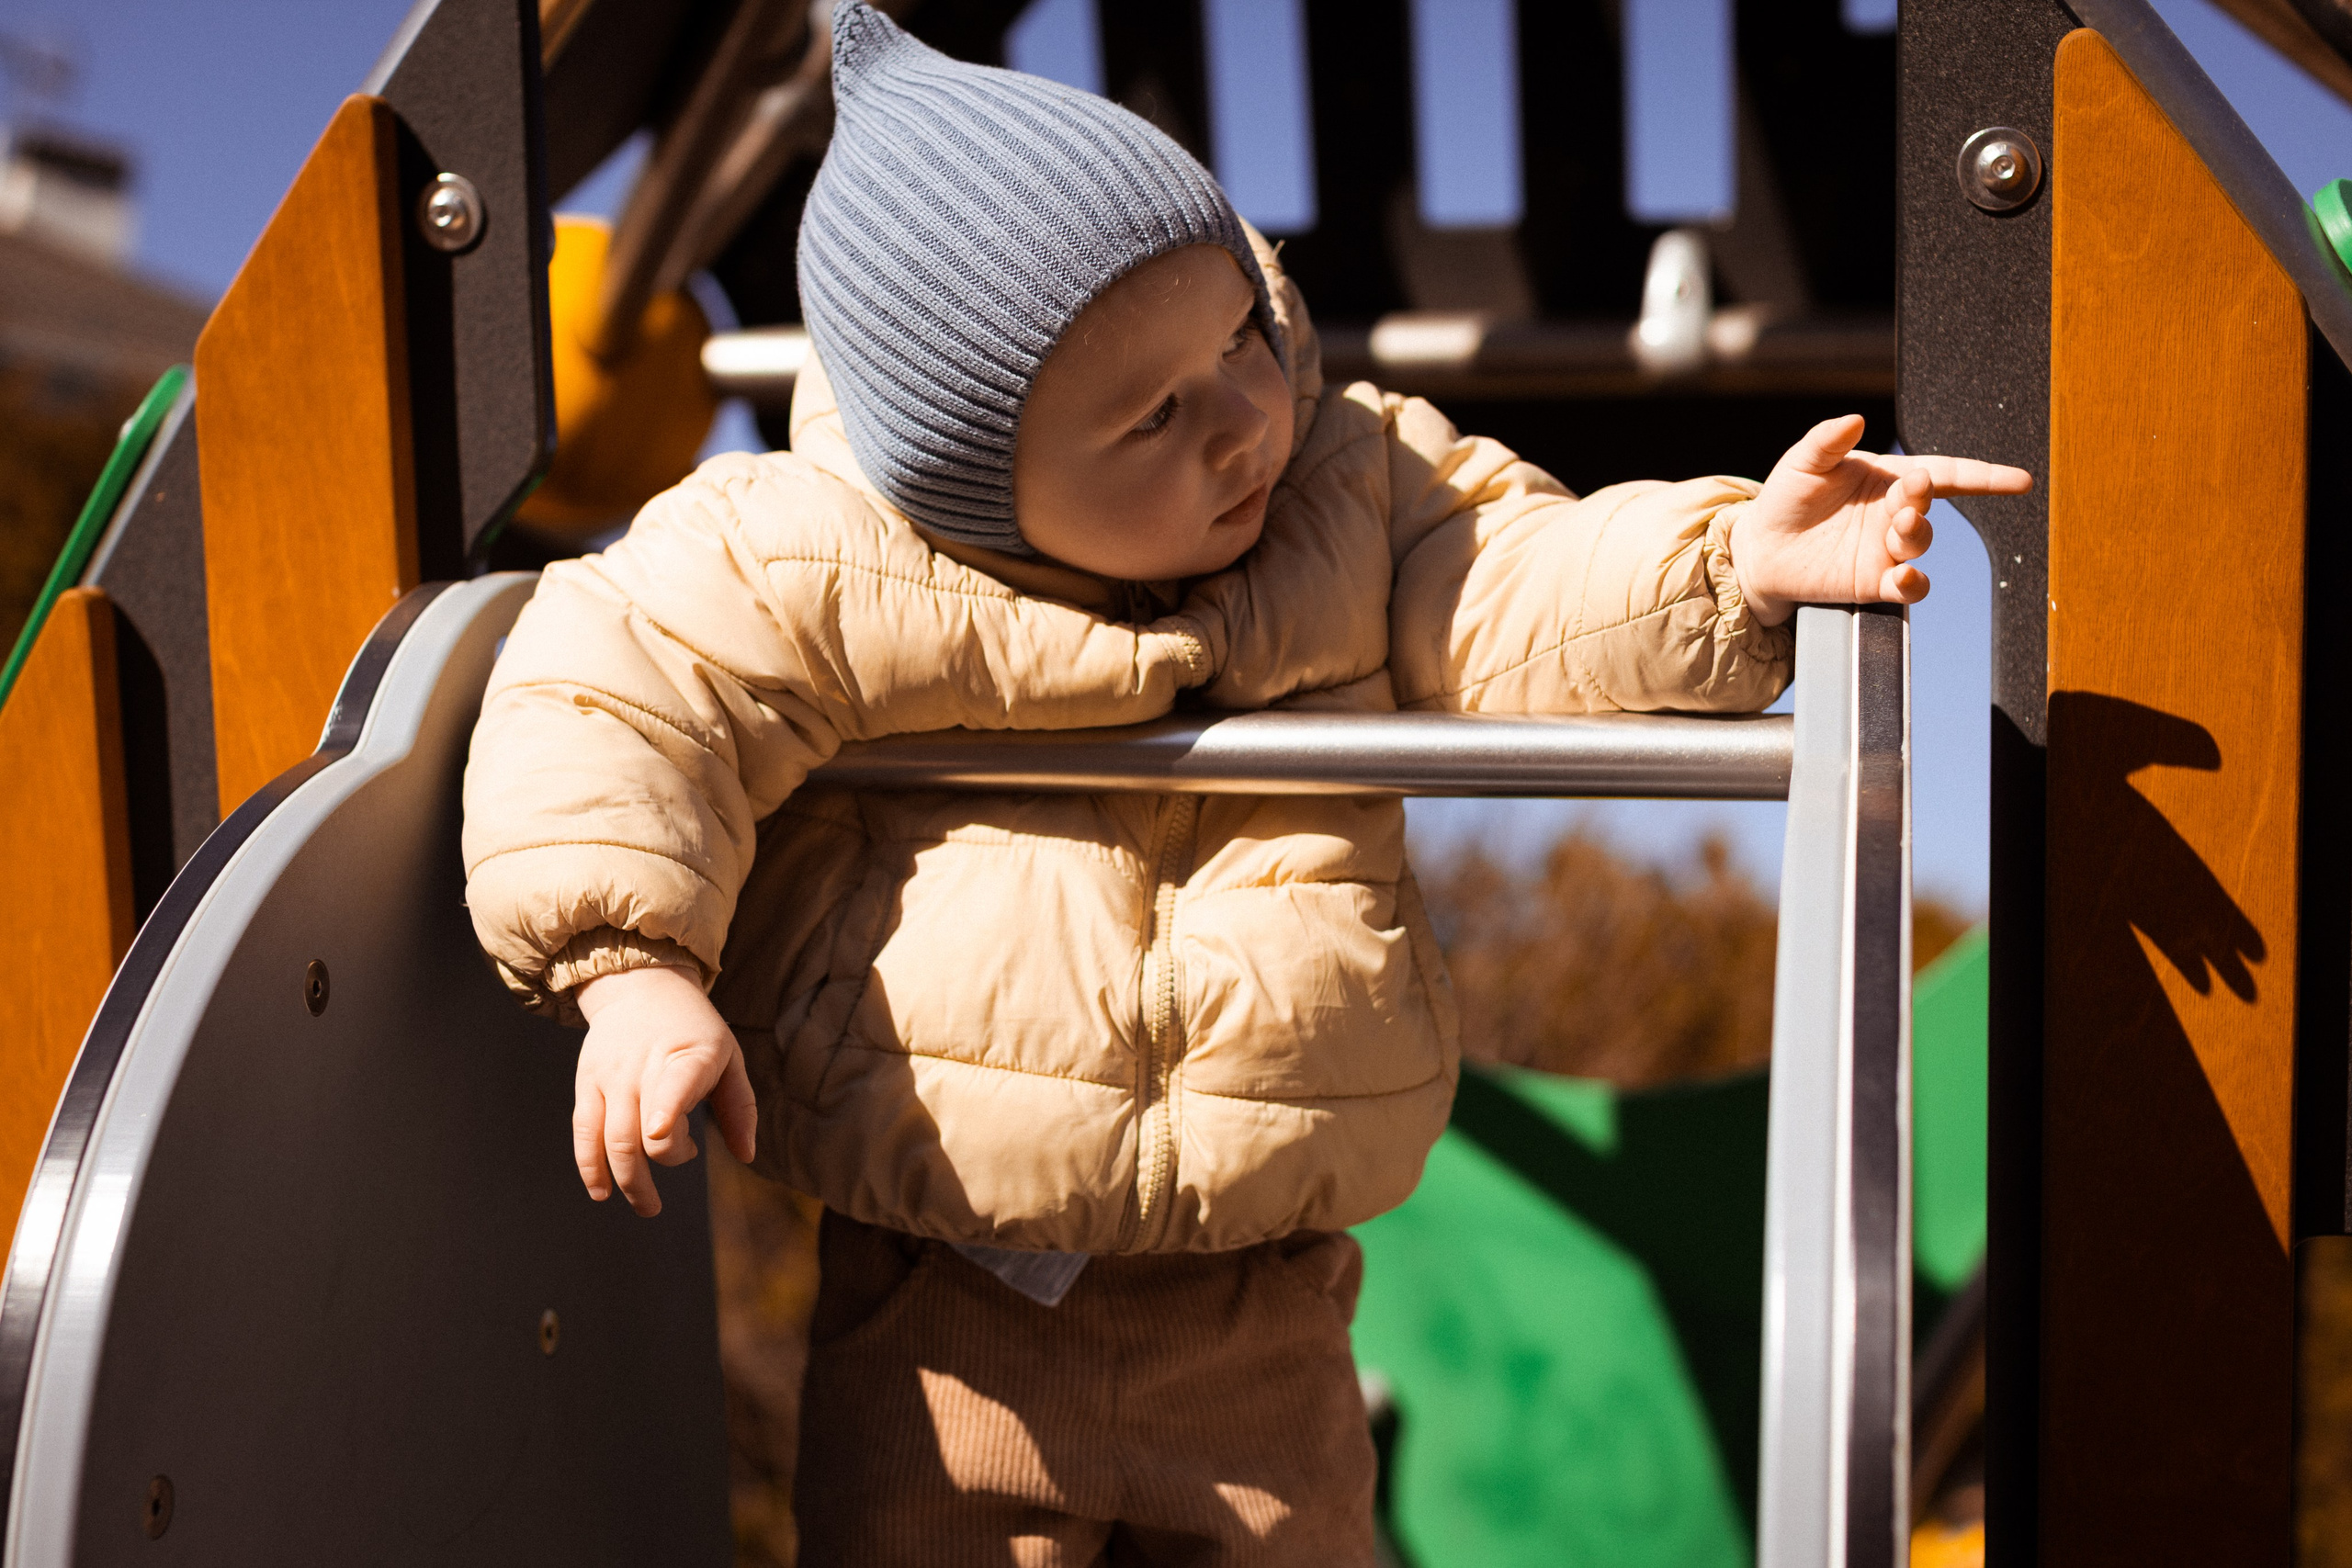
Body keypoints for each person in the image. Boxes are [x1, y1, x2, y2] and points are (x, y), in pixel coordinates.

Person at [460, 5, 2029, 1561]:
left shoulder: (1353, 486)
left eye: (1242, 341)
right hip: (952, 1281)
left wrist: (1734, 563)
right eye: (1154, 414)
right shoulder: (814, 552)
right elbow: (613, 684)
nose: (1243, 422)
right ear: (963, 479)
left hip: (1266, 1297)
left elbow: (1516, 580)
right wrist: (629, 966)